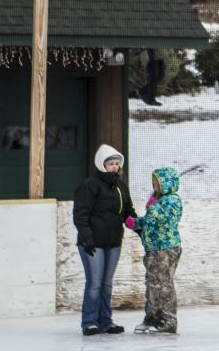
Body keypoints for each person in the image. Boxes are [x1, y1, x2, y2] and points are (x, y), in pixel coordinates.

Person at [72, 144, 137, 336]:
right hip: (93, 243)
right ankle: (90, 322)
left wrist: (139, 226)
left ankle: (106, 321)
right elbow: (80, 215)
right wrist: (87, 238)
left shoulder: (120, 186)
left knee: (107, 283)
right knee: (95, 283)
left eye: (117, 163)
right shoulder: (89, 185)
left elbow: (128, 212)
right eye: (110, 163)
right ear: (102, 164)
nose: (114, 167)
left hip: (113, 241)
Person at [126, 168, 183, 334]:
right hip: (153, 248)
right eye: (154, 182)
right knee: (152, 284)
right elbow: (150, 221)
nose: (155, 185)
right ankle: (152, 317)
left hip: (166, 248)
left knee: (164, 285)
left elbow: (168, 219)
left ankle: (168, 320)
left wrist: (154, 207)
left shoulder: (172, 200)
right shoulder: (157, 199)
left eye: (158, 182)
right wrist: (136, 223)